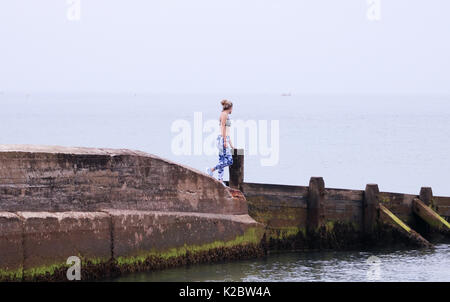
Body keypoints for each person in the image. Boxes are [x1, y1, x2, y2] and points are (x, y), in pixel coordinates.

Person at [206, 100, 235, 184]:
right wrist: (224, 141)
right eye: (232, 108)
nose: (232, 110)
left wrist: (231, 145)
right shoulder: (224, 114)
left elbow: (227, 130)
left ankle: (220, 180)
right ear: (230, 108)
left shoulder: (224, 114)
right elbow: (222, 127)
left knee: (222, 161)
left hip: (224, 139)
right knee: (230, 161)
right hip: (222, 139)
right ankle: (211, 169)